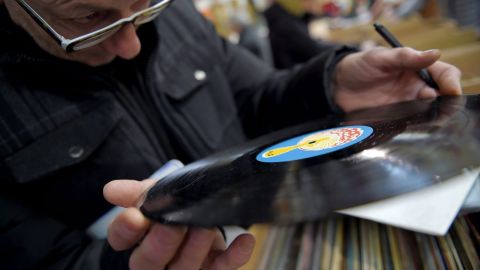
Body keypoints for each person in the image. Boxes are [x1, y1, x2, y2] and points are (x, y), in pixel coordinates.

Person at [0, 0, 461, 269]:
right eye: (88, 18)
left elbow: (255, 98)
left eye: (145, 7)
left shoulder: (178, 15)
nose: (131, 45)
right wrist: (125, 262)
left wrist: (332, 84)